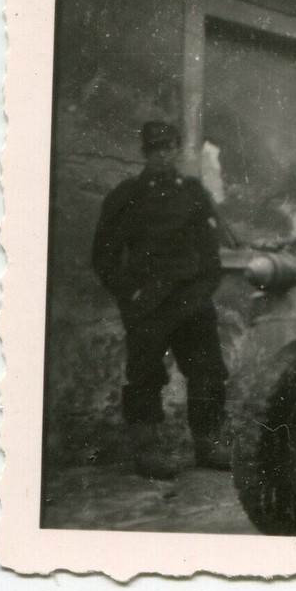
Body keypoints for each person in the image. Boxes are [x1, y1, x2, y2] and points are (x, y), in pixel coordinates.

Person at [92, 121, 231, 478]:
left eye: (168, 147)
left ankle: (208, 442)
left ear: (176, 149)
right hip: (148, 303)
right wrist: (132, 295)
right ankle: (148, 450)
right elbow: (104, 258)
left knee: (208, 371)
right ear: (145, 152)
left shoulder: (194, 194)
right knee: (145, 375)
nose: (162, 154)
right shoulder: (126, 197)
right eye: (155, 148)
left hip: (191, 298)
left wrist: (203, 291)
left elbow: (210, 256)